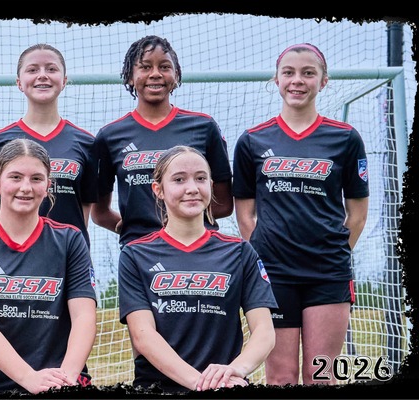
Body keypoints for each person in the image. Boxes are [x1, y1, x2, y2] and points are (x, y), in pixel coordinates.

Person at [232, 43, 369, 386]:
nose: (298, 80)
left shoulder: (345, 138)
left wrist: (333, 253)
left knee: (320, 374)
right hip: (274, 274)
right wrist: (263, 259)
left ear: (323, 81)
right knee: (281, 377)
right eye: (289, 73)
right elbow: (245, 214)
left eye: (308, 73)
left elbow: (357, 214)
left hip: (327, 273)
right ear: (276, 79)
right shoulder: (252, 140)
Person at [119, 145, 276, 393]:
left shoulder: (239, 252)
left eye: (200, 178)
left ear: (211, 186)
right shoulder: (135, 254)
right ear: (158, 190)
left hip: (225, 386)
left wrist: (236, 370)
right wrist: (201, 384)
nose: (192, 188)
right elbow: (143, 335)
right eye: (179, 180)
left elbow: (265, 331)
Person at [0, 139, 97, 394]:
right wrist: (29, 378)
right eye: (15, 177)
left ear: (48, 185)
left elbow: (84, 317)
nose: (26, 188)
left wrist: (64, 381)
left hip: (64, 381)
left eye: (36, 179)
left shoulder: (70, 240)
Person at [92, 35, 233, 245]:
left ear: (176, 75)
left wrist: (183, 225)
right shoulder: (110, 135)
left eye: (165, 67)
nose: (155, 74)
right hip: (140, 250)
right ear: (130, 76)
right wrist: (135, 229)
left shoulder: (203, 127)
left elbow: (224, 203)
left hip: (198, 247)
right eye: (145, 67)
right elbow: (100, 213)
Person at [0, 44, 97, 240]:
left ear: (64, 81)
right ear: (19, 83)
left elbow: (84, 211)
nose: (43, 75)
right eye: (33, 70)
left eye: (51, 69)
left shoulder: (86, 142)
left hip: (66, 252)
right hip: (13, 254)